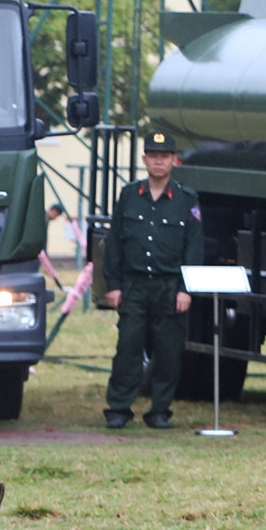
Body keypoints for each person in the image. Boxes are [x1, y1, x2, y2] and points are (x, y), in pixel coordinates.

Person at [101, 131, 202, 430]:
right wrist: (113, 285)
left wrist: (186, 289)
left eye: (165, 156)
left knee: (168, 351)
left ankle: (159, 411)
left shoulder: (186, 200)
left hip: (169, 287)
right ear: (145, 160)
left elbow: (194, 248)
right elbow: (115, 242)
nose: (159, 162)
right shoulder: (129, 195)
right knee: (128, 348)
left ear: (174, 161)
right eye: (153, 156)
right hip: (134, 285)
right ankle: (119, 408)